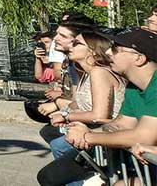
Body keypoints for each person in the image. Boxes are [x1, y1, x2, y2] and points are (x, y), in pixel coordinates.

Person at [37, 28, 157, 186]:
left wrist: (88, 137)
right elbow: (122, 123)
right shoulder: (134, 87)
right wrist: (88, 132)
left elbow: (143, 137)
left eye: (116, 49)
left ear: (139, 58)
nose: (108, 52)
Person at [39, 31, 127, 160]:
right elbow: (81, 104)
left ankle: (90, 172)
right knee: (49, 132)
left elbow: (99, 115)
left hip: (110, 134)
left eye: (77, 43)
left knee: (59, 146)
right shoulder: (86, 73)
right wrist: (64, 112)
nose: (71, 46)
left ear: (93, 51)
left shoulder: (99, 72)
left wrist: (65, 116)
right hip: (94, 127)